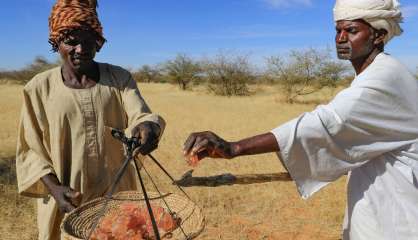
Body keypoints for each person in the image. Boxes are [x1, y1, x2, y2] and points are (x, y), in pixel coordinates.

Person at [183, 0, 418, 239]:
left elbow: (327, 122)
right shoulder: (380, 71)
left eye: (352, 31)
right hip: (381, 201)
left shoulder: (383, 78)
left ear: (378, 35)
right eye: (338, 30)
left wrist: (235, 147)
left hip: (396, 214)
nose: (340, 38)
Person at [15, 0, 165, 239]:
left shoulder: (119, 78)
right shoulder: (38, 88)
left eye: (88, 41)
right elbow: (31, 150)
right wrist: (54, 188)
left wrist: (148, 126)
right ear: (57, 42)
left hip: (117, 195)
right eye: (71, 41)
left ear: (98, 42)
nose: (80, 49)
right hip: (66, 200)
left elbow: (141, 115)